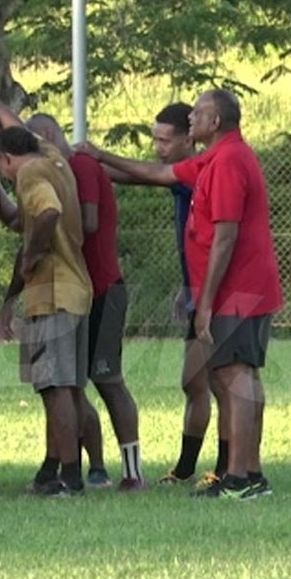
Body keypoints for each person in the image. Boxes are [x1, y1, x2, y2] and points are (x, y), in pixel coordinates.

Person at [80, 89, 282, 500]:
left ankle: (241, 478)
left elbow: (225, 237)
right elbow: (160, 175)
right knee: (235, 376)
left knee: (235, 376)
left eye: (199, 113)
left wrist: (204, 302)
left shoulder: (227, 162)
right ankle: (248, 473)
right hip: (238, 288)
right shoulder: (213, 157)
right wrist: (98, 157)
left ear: (216, 121)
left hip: (237, 288)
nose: (192, 118)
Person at [104, 102, 224, 487]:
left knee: (220, 383)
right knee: (196, 383)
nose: (157, 147)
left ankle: (225, 469)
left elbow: (144, 175)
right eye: (154, 139)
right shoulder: (185, 172)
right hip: (197, 290)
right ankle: (190, 468)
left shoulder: (197, 173)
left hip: (219, 295)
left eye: (164, 140)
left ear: (189, 139)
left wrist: (93, 159)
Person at [26, 113, 146, 491]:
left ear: (46, 136)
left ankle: (133, 472)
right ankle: (86, 466)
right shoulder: (64, 167)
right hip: (80, 289)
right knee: (71, 384)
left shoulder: (80, 164)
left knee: (106, 378)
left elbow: (89, 221)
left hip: (103, 285)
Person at [0, 124, 93, 496]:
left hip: (52, 293)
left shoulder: (28, 173)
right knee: (65, 387)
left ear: (6, 159)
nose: (6, 178)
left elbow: (48, 212)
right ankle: (50, 470)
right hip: (77, 288)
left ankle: (70, 477)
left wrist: (33, 252)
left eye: (2, 168)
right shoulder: (55, 160)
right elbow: (30, 134)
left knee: (55, 388)